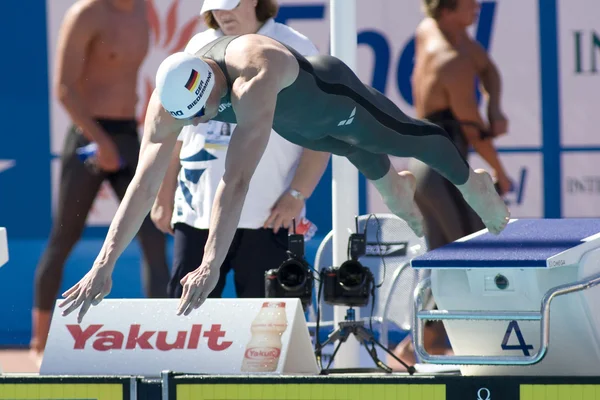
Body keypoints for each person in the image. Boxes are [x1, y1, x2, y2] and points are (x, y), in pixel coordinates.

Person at [59, 32, 511, 323]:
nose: (198, 124)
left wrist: (211, 264)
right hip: (297, 125)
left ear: (212, 82)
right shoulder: (168, 100)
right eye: (189, 119)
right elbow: (141, 185)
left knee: (407, 137)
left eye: (202, 112)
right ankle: (398, 188)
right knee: (363, 162)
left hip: (333, 98)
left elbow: (234, 183)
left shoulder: (252, 76)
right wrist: (104, 265)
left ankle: (474, 183)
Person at [150, 0, 330, 299]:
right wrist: (163, 195)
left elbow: (320, 131)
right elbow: (176, 131)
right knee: (186, 328)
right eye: (216, 5)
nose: (222, 13)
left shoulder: (295, 46)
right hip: (197, 215)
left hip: (269, 216)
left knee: (271, 329)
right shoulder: (198, 45)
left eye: (230, 3)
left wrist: (297, 194)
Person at [31, 0, 170, 362]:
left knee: (153, 235)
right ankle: (40, 344)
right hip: (89, 136)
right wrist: (100, 141)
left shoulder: (142, 10)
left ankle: (164, 338)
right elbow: (64, 88)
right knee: (65, 236)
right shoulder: (87, 13)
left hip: (128, 134)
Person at [390, 0, 512, 368]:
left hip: (438, 167)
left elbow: (488, 68)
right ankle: (418, 349)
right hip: (440, 172)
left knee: (460, 259)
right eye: (469, 3)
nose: (478, 7)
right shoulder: (452, 60)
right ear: (447, 9)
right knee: (464, 261)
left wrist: (495, 105)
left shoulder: (437, 32)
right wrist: (500, 173)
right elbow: (474, 134)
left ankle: (422, 347)